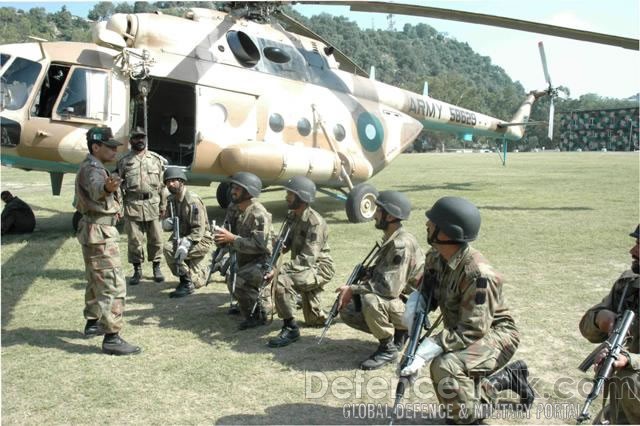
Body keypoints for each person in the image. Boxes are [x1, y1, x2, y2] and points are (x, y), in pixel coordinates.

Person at [401, 196, 533, 424]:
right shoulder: (436, 257)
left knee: (445, 365)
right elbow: (430, 291)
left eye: (432, 222)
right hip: (464, 331)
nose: (427, 225)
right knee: (435, 360)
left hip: (497, 336)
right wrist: (418, 301)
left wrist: (428, 348)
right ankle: (502, 381)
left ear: (446, 232)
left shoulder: (478, 274)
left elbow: (473, 329)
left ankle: (471, 415)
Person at [336, 191, 424, 370]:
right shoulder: (392, 239)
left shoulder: (401, 245)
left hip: (411, 307)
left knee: (371, 300)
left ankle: (388, 348)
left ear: (389, 215)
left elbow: (389, 289)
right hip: (402, 302)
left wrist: (353, 289)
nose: (374, 214)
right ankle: (400, 332)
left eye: (378, 210)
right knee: (349, 308)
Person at [74, 126, 141, 356]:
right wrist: (106, 188)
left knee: (96, 278)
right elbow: (96, 189)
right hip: (99, 233)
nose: (114, 151)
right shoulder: (93, 170)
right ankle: (112, 337)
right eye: (109, 147)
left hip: (94, 229)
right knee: (112, 283)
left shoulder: (94, 167)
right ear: (96, 147)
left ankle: (92, 322)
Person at [578, 225, 639, 424]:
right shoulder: (628, 285)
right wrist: (599, 319)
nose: (632, 251)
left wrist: (629, 361)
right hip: (623, 404)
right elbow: (587, 330)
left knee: (628, 378)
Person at [267, 176, 335, 348]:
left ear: (302, 198)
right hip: (302, 267)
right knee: (314, 320)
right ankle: (313, 306)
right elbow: (285, 245)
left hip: (318, 268)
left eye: (290, 193)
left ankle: (290, 328)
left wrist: (279, 269)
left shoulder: (315, 222)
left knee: (281, 279)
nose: (286, 196)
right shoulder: (292, 216)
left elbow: (307, 258)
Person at [213, 172, 273, 330]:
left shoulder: (258, 214)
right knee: (230, 276)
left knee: (239, 280)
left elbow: (260, 246)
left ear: (249, 192)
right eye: (233, 187)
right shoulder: (234, 207)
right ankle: (246, 305)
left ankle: (259, 315)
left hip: (262, 262)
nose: (233, 191)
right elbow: (227, 229)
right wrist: (220, 238)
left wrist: (232, 239)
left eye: (238, 188)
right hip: (242, 258)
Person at [116, 126, 167, 285]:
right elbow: (117, 186)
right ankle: (137, 270)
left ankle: (156, 268)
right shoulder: (124, 162)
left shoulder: (156, 160)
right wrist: (119, 207)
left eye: (142, 138)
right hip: (133, 205)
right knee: (134, 241)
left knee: (156, 239)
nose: (140, 141)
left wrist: (163, 205)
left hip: (152, 204)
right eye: (136, 138)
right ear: (130, 141)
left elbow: (163, 185)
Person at [162, 167, 214, 298]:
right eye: (167, 182)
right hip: (183, 237)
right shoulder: (171, 200)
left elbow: (199, 229)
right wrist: (167, 223)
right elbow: (167, 220)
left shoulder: (192, 201)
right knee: (198, 281)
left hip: (201, 240)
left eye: (173, 181)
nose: (170, 184)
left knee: (170, 249)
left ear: (181, 181)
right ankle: (208, 268)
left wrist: (186, 242)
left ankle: (186, 284)